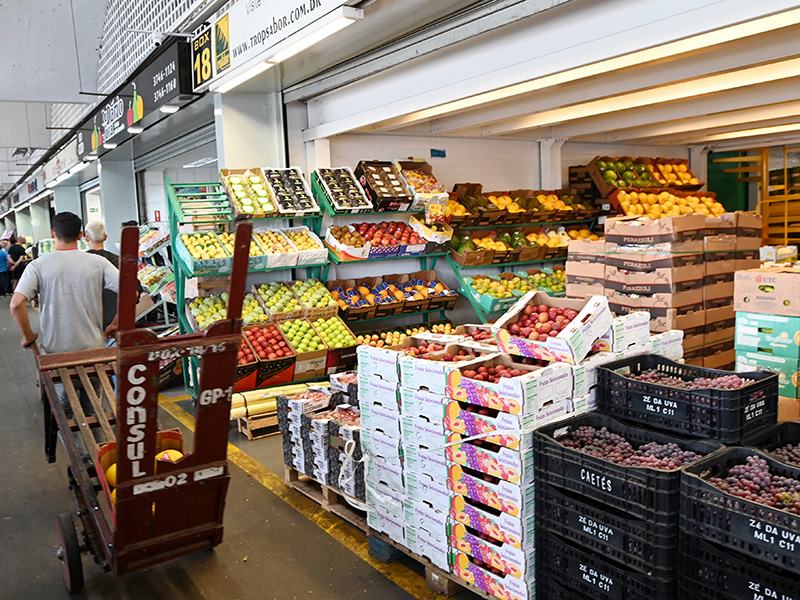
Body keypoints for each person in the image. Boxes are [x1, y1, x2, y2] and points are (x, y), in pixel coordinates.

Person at [10, 212, 119, 427]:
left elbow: (16, 303)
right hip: (93, 352)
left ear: (52, 234)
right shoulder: (98, 262)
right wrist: (115, 323)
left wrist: (28, 335)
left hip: (57, 355)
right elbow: (130, 292)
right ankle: (98, 454)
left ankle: (81, 455)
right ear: (80, 235)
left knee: (64, 411)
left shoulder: (38, 266)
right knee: (95, 407)